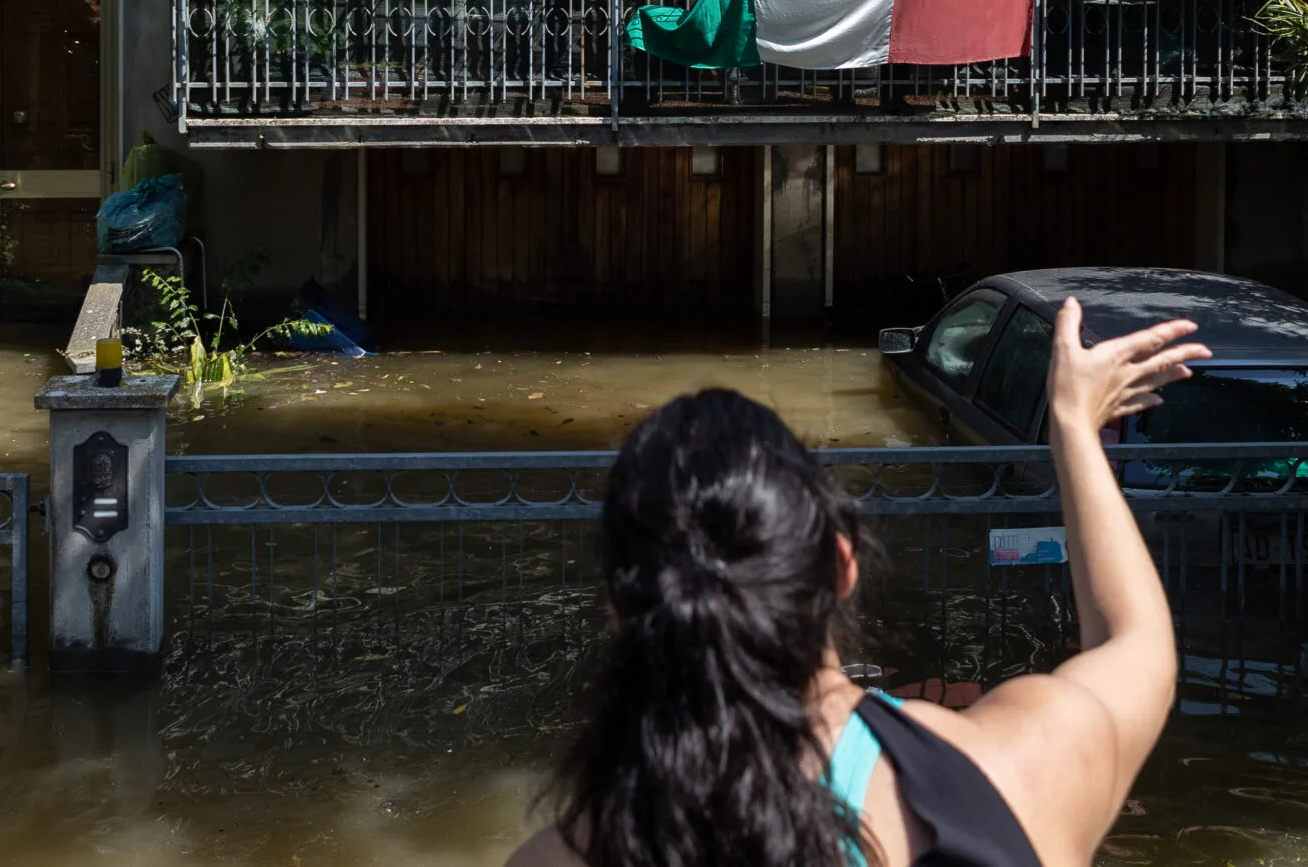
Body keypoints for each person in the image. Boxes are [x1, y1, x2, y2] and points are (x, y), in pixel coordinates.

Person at [507, 300, 1206, 867]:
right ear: (843, 565)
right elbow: (1135, 642)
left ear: (621, 612)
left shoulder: (559, 855)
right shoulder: (1006, 778)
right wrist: (1073, 427)